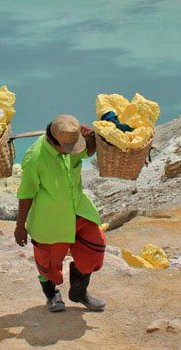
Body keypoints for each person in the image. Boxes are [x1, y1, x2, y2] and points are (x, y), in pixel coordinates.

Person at [15, 114, 106, 313]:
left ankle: (79, 291)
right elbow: (26, 193)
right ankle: (52, 295)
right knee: (48, 261)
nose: (71, 152)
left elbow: (88, 152)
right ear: (53, 141)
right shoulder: (35, 157)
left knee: (94, 247)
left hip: (78, 211)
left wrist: (91, 137)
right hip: (50, 219)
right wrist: (20, 226)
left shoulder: (71, 141)